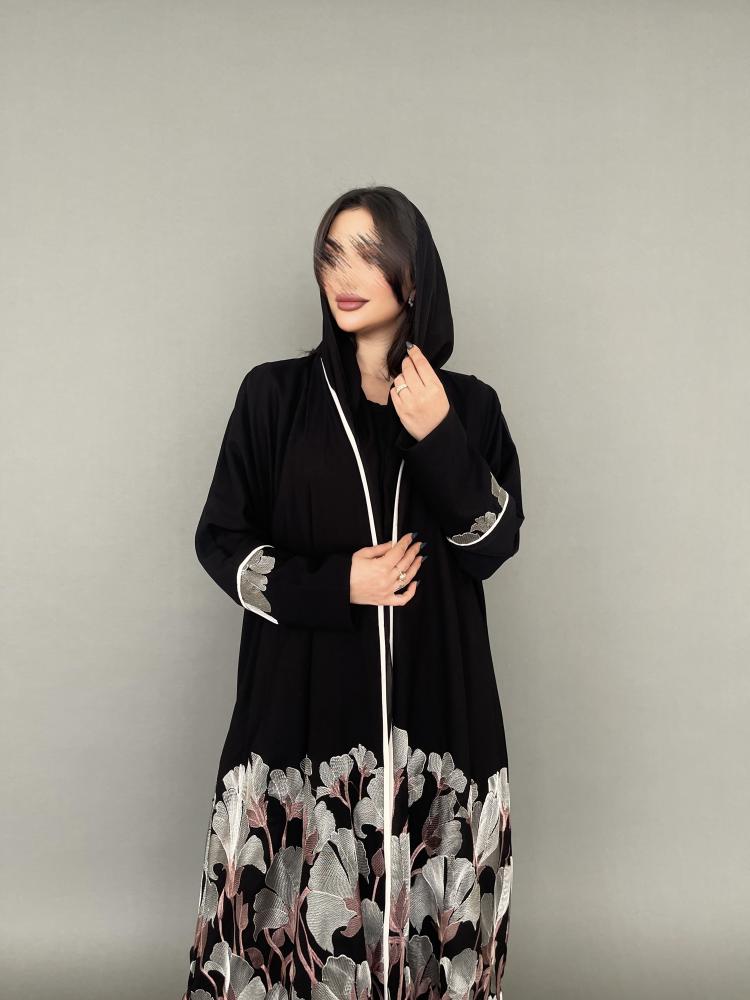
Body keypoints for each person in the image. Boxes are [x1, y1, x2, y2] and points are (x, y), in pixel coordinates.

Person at [181, 186, 525, 1000]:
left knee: (432, 935)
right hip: (302, 707)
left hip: (438, 703)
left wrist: (439, 435)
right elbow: (221, 541)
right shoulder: (274, 397)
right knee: (295, 928)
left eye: (369, 254)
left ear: (415, 273)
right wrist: (340, 583)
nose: (344, 273)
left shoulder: (470, 407)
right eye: (332, 254)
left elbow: (493, 543)